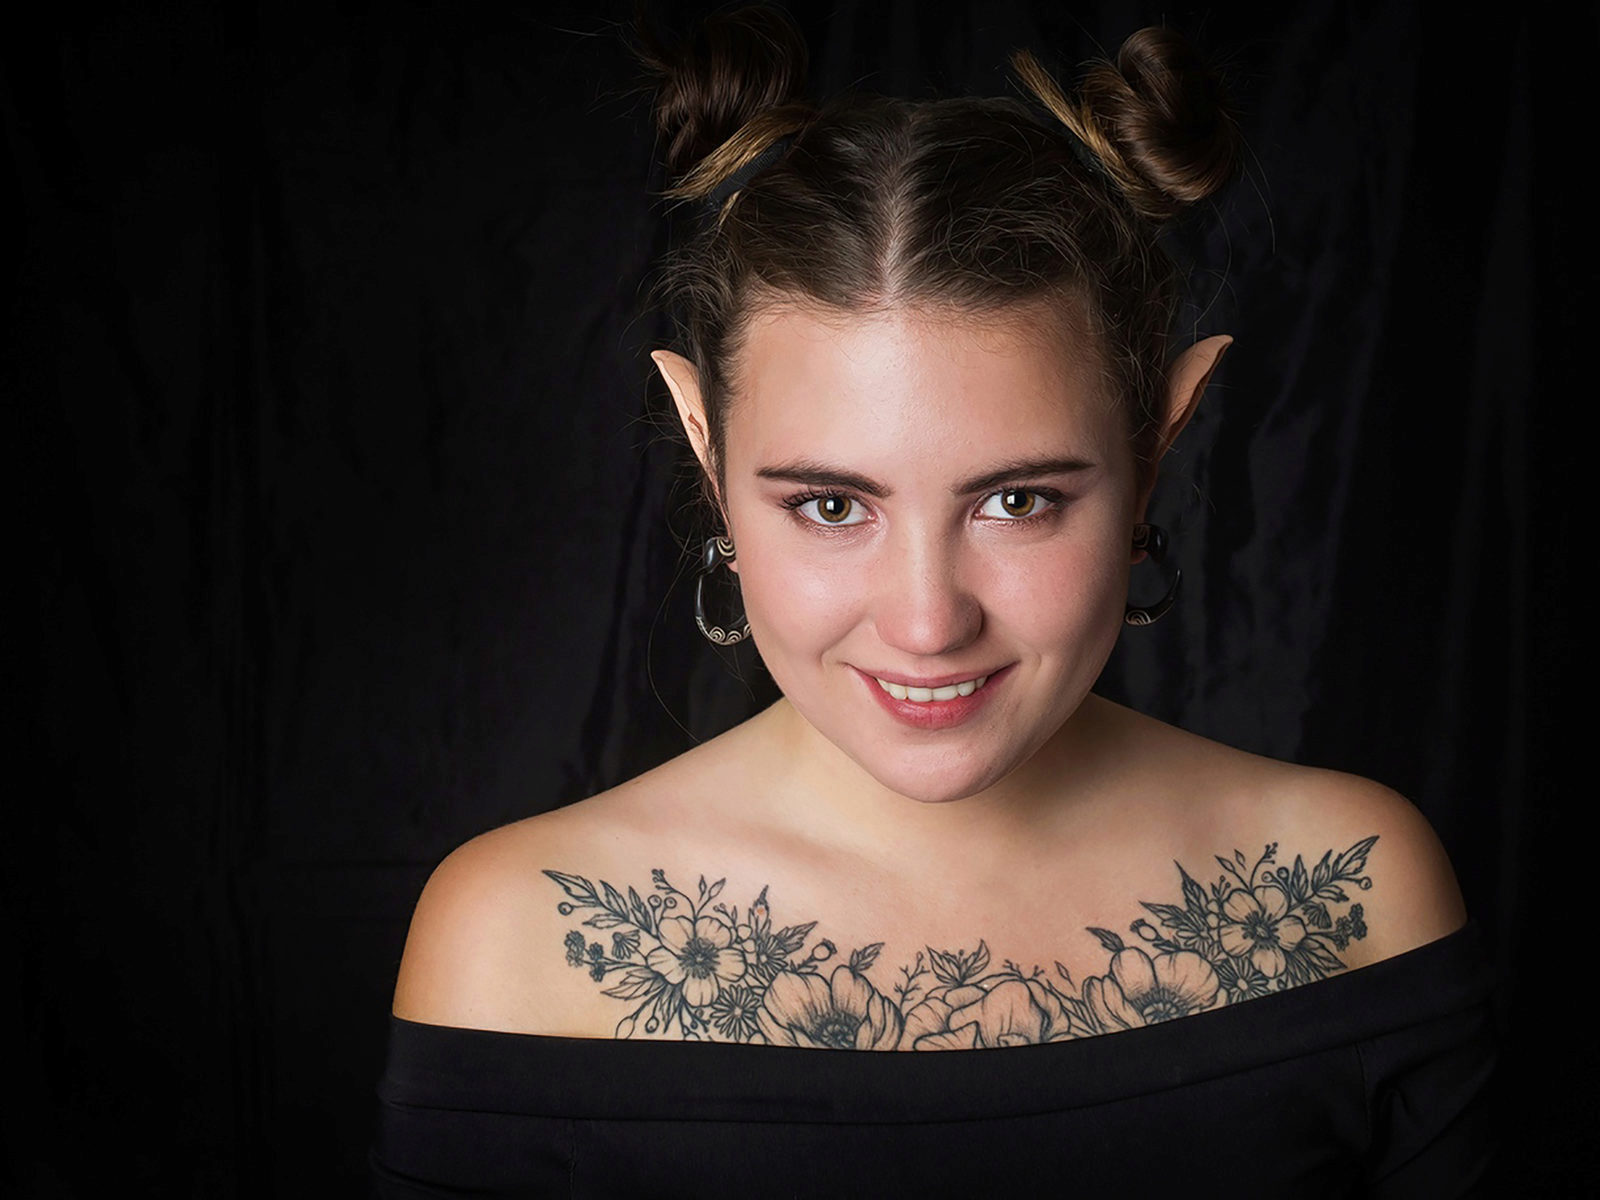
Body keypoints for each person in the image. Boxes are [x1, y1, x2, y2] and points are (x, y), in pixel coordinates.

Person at [374, 8, 1496, 1195]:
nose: (926, 624)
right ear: (705, 449)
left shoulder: (1352, 891)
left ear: (1158, 445)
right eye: (829, 505)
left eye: (1016, 502)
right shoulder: (519, 942)